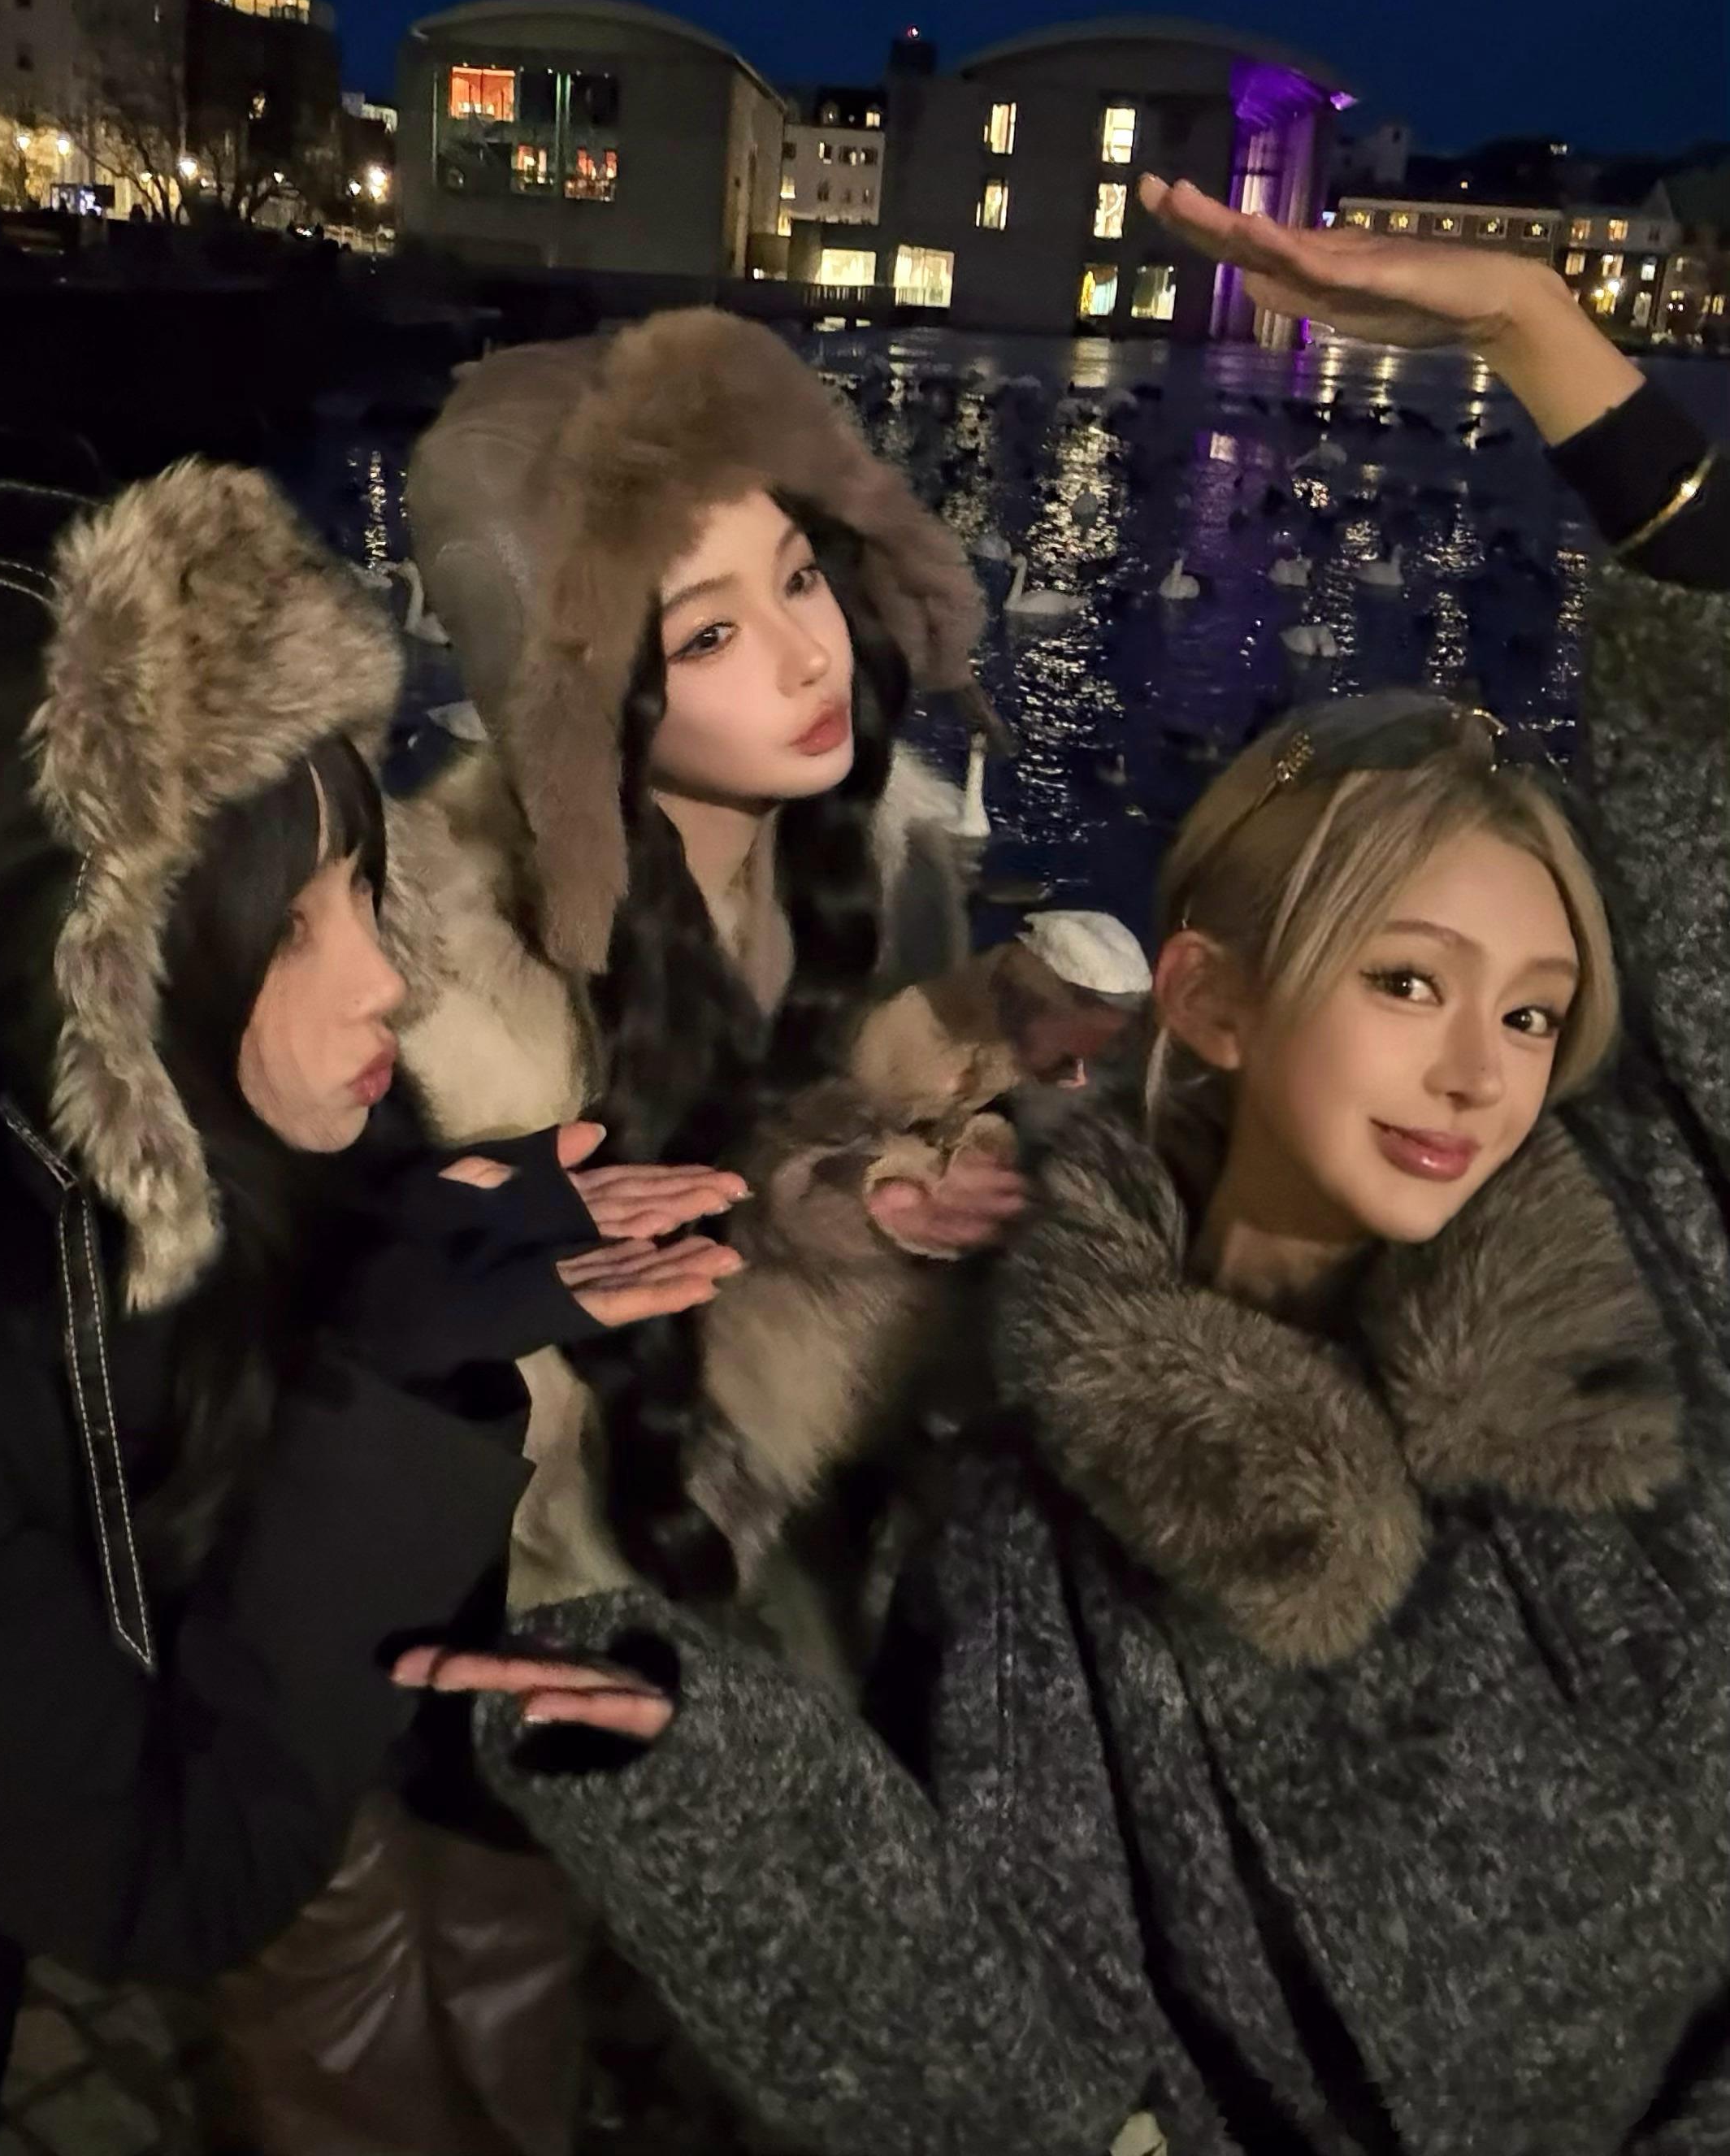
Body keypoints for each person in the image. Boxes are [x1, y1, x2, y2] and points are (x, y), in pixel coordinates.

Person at [404, 196, 1730, 2155]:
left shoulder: (1654, 1283)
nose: (1484, 1071)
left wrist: (1547, 335)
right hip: (626, 1588)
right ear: (1212, 997)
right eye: (1406, 978)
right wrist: (713, 1767)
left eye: (1537, 1011)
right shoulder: (1052, 1503)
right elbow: (1024, 2032)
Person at [222, 307, 1142, 2152]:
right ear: (583, 696)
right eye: (707, 630)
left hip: (727, 1556)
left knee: (589, 1980)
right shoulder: (430, 963)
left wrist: (918, 1145)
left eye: (799, 576)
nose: (807, 655)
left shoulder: (871, 853)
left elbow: (789, 1147)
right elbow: (366, 1315)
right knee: (444, 2001)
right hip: (477, 1580)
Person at [0, 457, 743, 2153]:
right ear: (78, 979)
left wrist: (389, 1262)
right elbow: (176, 1878)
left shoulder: (128, 1184)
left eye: (362, 888)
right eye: (290, 921)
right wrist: (383, 1373)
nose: (386, 978)